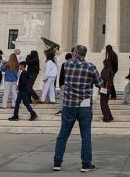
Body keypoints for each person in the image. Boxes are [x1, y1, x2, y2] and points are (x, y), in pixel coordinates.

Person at [53, 44, 102, 172]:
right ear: (85, 54)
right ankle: (86, 164)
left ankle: (57, 162)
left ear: (75, 53)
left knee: (63, 135)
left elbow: (63, 77)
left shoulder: (67, 65)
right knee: (86, 136)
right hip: (84, 104)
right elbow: (99, 83)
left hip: (69, 104)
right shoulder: (91, 67)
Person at [54, 52, 73, 116]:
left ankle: (62, 110)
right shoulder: (74, 64)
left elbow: (61, 74)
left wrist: (60, 83)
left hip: (64, 83)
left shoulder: (64, 64)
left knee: (63, 98)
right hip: (72, 84)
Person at [100, 57, 114, 122]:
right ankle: (110, 116)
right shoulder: (110, 69)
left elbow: (104, 79)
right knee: (105, 103)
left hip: (104, 88)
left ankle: (106, 118)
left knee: (103, 103)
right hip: (108, 88)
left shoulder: (106, 69)